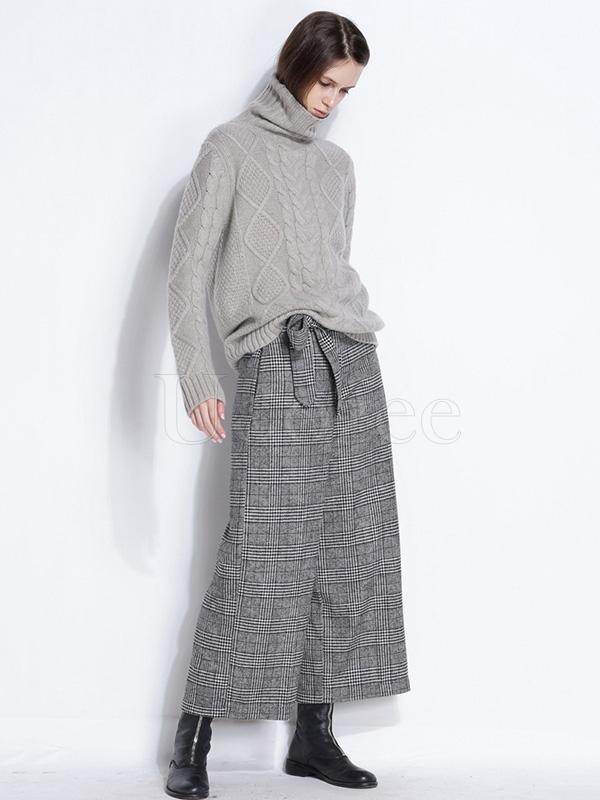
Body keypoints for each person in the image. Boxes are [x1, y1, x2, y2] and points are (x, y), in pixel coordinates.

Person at [164, 11, 410, 798]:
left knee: (349, 550)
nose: (331, 102)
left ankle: (313, 737)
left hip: (352, 360)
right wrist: (198, 376)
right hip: (277, 357)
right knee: (260, 550)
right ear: (297, 63)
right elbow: (187, 271)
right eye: (326, 82)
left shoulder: (337, 167)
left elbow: (333, 264)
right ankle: (193, 738)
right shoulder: (229, 147)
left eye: (346, 91)